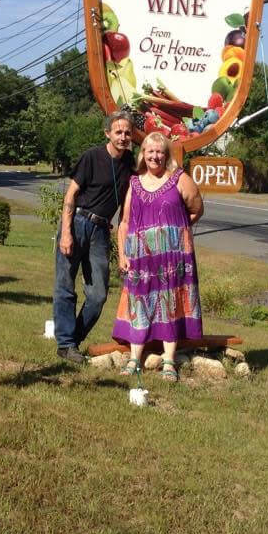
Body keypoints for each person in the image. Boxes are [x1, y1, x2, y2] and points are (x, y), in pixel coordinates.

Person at [112, 131, 204, 381]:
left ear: (166, 155)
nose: (155, 156)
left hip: (172, 259)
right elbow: (124, 222)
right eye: (150, 151)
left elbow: (196, 209)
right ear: (143, 154)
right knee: (138, 303)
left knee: (170, 303)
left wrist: (176, 232)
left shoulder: (179, 179)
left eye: (159, 151)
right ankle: (134, 359)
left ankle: (169, 361)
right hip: (140, 257)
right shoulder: (134, 182)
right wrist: (122, 254)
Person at [53, 110, 135, 363]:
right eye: (118, 132)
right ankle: (66, 344)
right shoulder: (91, 157)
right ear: (107, 133)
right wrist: (66, 233)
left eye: (127, 132)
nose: (123, 136)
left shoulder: (130, 164)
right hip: (77, 222)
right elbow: (71, 195)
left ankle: (73, 341)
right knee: (65, 286)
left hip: (101, 231)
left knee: (98, 295)